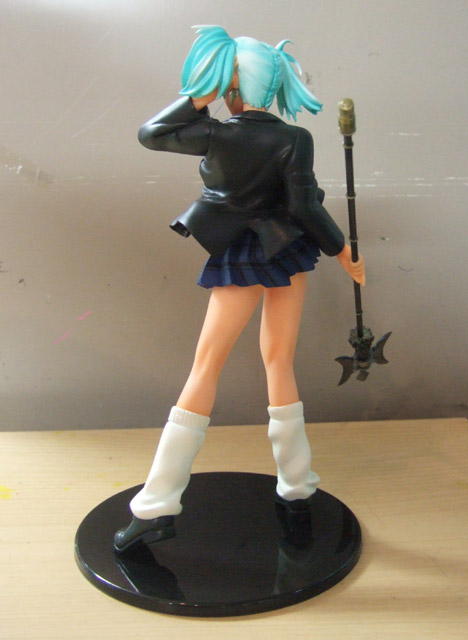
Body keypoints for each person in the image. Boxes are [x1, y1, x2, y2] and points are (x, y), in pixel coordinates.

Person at [114, 26, 365, 552]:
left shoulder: (216, 133)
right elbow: (304, 207)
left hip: (241, 255)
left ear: (231, 86)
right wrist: (340, 248)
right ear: (270, 85)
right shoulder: (294, 138)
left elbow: (151, 133)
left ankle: (158, 504)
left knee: (206, 366)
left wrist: (199, 96)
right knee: (279, 362)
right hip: (289, 249)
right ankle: (297, 487)